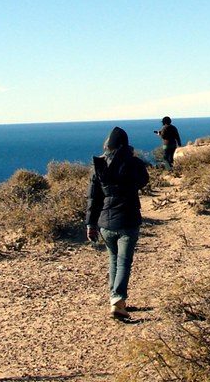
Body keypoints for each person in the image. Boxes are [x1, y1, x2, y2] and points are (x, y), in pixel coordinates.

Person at [86, 126, 149, 319]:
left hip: (105, 222)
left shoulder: (99, 165)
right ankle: (118, 302)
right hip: (128, 220)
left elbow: (93, 198)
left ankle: (115, 298)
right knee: (123, 262)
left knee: (114, 261)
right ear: (125, 144)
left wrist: (90, 224)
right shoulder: (133, 163)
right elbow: (143, 180)